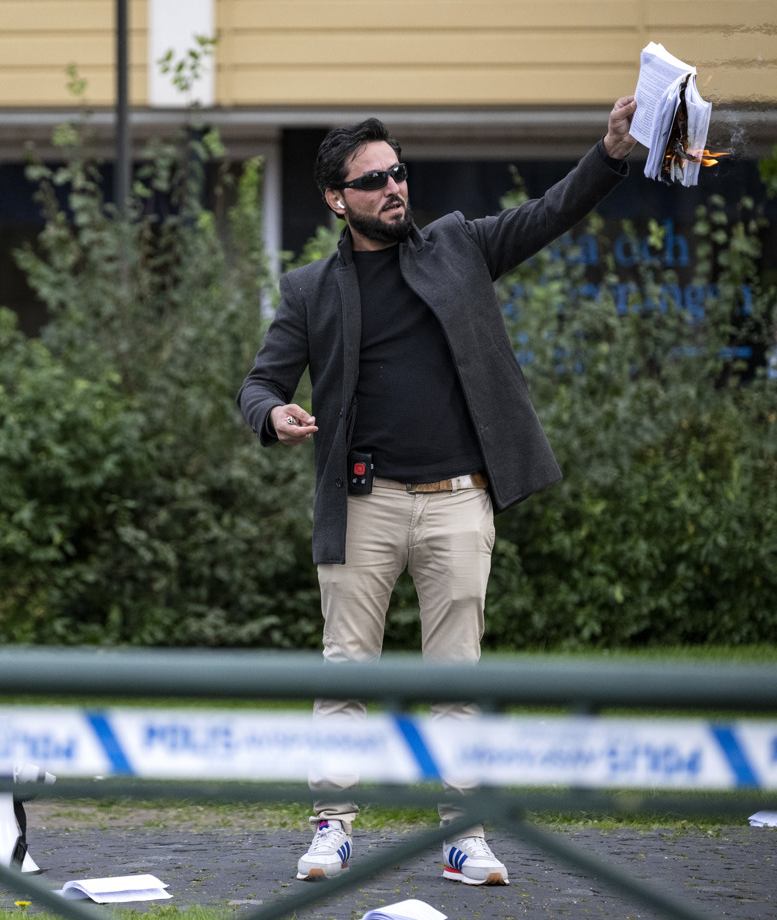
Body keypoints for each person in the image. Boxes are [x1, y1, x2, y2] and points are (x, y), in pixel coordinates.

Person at [237, 97, 638, 886]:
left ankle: (464, 836)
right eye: (373, 179)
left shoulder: (458, 245)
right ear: (336, 198)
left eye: (398, 172)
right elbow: (258, 382)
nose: (393, 187)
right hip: (363, 503)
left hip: (460, 499)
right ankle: (331, 830)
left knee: (457, 675)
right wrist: (273, 412)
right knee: (345, 671)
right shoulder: (311, 289)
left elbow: (550, 213)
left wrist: (611, 153)